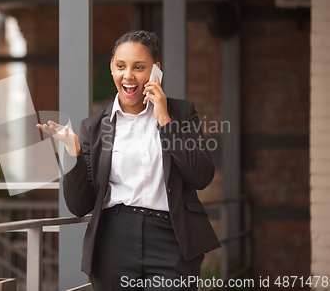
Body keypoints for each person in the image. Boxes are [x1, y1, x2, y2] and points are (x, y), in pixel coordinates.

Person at [38, 31, 220, 290]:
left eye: (139, 67)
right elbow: (79, 206)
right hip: (113, 240)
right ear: (112, 67)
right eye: (121, 66)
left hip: (172, 239)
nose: (128, 76)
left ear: (156, 71)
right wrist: (73, 151)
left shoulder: (181, 113)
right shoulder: (95, 127)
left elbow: (201, 176)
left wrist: (165, 120)